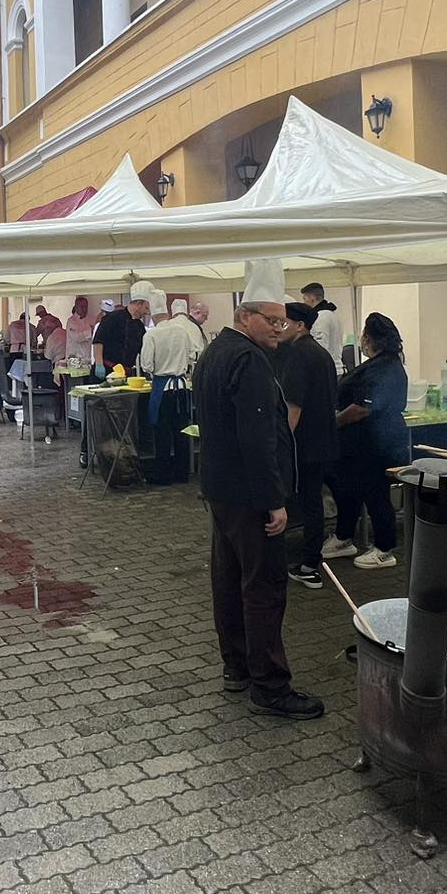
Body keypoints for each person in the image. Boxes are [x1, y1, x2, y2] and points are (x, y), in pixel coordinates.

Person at [193, 259, 322, 721]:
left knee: (228, 581)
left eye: (282, 322)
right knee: (263, 586)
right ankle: (270, 686)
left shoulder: (214, 353)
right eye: (271, 321)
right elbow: (258, 438)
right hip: (250, 495)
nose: (278, 330)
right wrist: (275, 501)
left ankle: (237, 666)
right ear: (245, 315)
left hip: (221, 489)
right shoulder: (248, 360)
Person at [327, 313, 412, 569]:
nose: (362, 340)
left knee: (376, 494)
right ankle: (343, 536)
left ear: (370, 339)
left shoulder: (385, 368)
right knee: (348, 489)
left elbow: (362, 408)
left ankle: (385, 549)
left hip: (377, 443)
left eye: (364, 335)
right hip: (359, 444)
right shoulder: (380, 364)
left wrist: (334, 423)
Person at [275, 302, 339, 588]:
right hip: (323, 440)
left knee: (308, 503)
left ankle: (309, 565)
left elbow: (293, 407)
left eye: (284, 323)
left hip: (304, 444)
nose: (279, 328)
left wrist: (281, 443)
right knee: (313, 501)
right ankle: (311, 559)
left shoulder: (298, 355)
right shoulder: (321, 354)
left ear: (300, 325)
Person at [139, 297, 206, 379]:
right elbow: (194, 355)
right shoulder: (193, 328)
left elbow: (147, 366)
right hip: (185, 377)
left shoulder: (152, 334)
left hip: (161, 380)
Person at [93, 286, 149, 374]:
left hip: (126, 372)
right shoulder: (112, 318)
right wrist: (99, 364)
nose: (147, 313)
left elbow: (144, 349)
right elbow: (98, 342)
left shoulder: (139, 326)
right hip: (107, 369)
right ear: (138, 304)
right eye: (146, 308)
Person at [300, 282, 344, 371]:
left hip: (326, 369)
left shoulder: (320, 317)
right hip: (336, 366)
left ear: (312, 299)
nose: (304, 303)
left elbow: (320, 347)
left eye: (304, 299)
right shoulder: (333, 315)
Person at [64, 296, 97, 361]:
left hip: (89, 358)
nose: (84, 309)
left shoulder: (92, 319)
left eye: (86, 307)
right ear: (76, 307)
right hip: (75, 358)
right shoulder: (71, 321)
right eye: (82, 307)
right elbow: (77, 337)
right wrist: (91, 331)